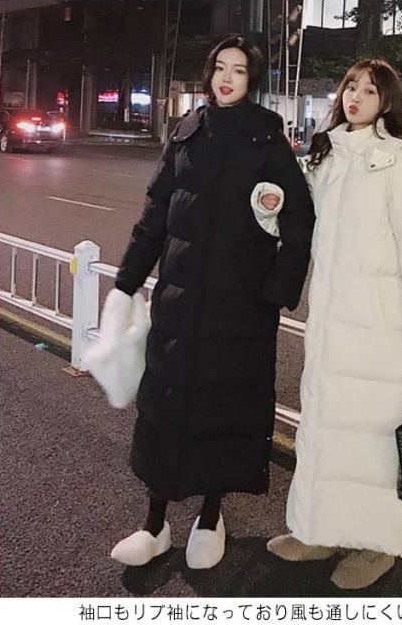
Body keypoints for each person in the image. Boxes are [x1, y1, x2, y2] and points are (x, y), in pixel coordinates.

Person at [106, 36, 315, 569]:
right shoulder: (186, 133)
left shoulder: (265, 138)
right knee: (166, 406)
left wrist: (275, 290)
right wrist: (126, 283)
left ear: (252, 80)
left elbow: (299, 218)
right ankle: (154, 524)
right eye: (220, 67)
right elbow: (154, 216)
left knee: (222, 408)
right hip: (178, 301)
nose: (226, 78)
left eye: (238, 70)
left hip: (239, 306)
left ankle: (210, 517)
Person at [262, 59, 402, 589]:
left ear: (387, 101)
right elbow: (298, 221)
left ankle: (379, 546)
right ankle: (318, 529)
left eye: (369, 90)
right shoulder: (328, 155)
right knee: (325, 432)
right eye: (351, 87)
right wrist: (268, 205)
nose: (355, 97)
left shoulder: (397, 162)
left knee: (374, 445)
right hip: (332, 326)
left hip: (381, 332)